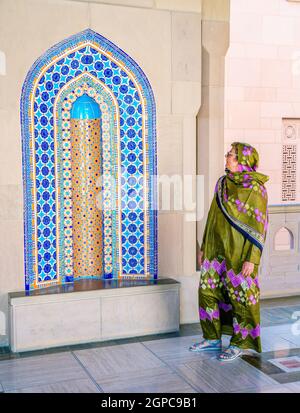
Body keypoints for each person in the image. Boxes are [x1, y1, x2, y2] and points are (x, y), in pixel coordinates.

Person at [189, 142, 269, 362]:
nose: (227, 157)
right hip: (216, 250)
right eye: (228, 154)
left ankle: (239, 343)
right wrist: (204, 246)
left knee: (240, 298)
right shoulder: (222, 183)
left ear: (243, 160)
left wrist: (252, 259)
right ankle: (212, 338)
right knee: (207, 292)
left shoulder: (255, 188)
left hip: (240, 252)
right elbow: (212, 215)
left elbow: (260, 225)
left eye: (231, 155)